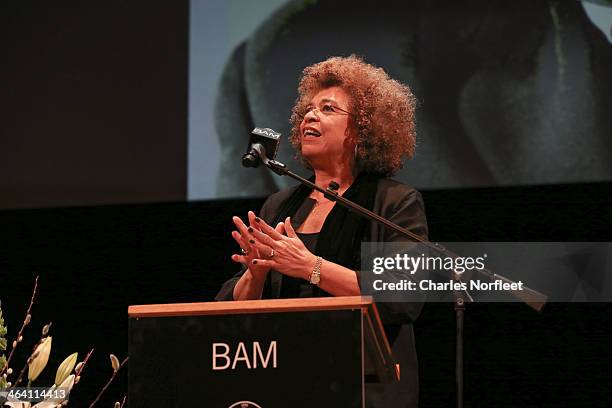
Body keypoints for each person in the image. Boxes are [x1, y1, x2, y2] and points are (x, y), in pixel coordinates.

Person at [216, 55, 428, 407]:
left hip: (363, 389)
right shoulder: (279, 207)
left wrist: (309, 266)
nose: (310, 116)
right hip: (284, 386)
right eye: (308, 110)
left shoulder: (392, 202)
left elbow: (400, 296)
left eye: (328, 109)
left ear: (363, 128)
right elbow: (233, 310)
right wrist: (254, 275)